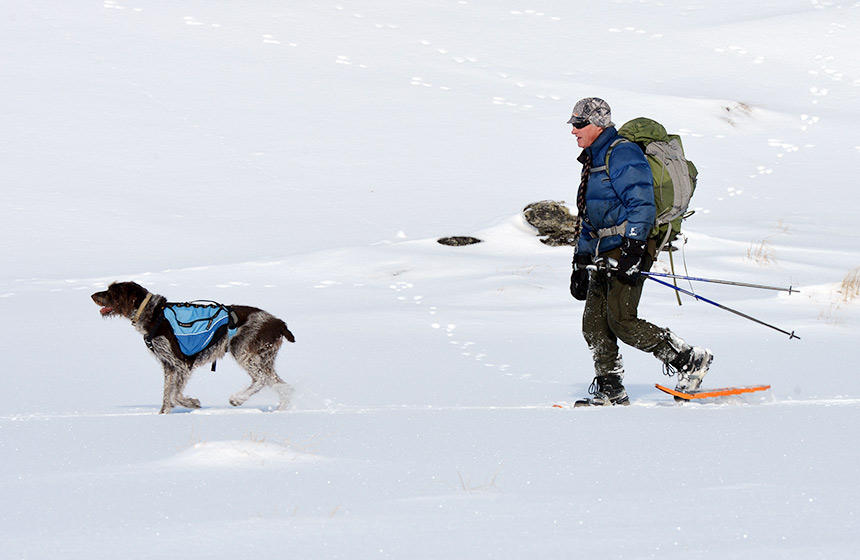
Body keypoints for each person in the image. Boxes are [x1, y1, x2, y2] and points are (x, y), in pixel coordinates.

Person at [566, 97, 712, 407]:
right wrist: (580, 260)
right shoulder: (594, 160)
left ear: (597, 124)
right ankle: (610, 387)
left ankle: (687, 359)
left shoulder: (623, 153)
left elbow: (641, 203)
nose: (573, 130)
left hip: (630, 245)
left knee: (621, 320)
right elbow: (590, 216)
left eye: (579, 124)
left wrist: (633, 249)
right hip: (604, 250)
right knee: (593, 325)